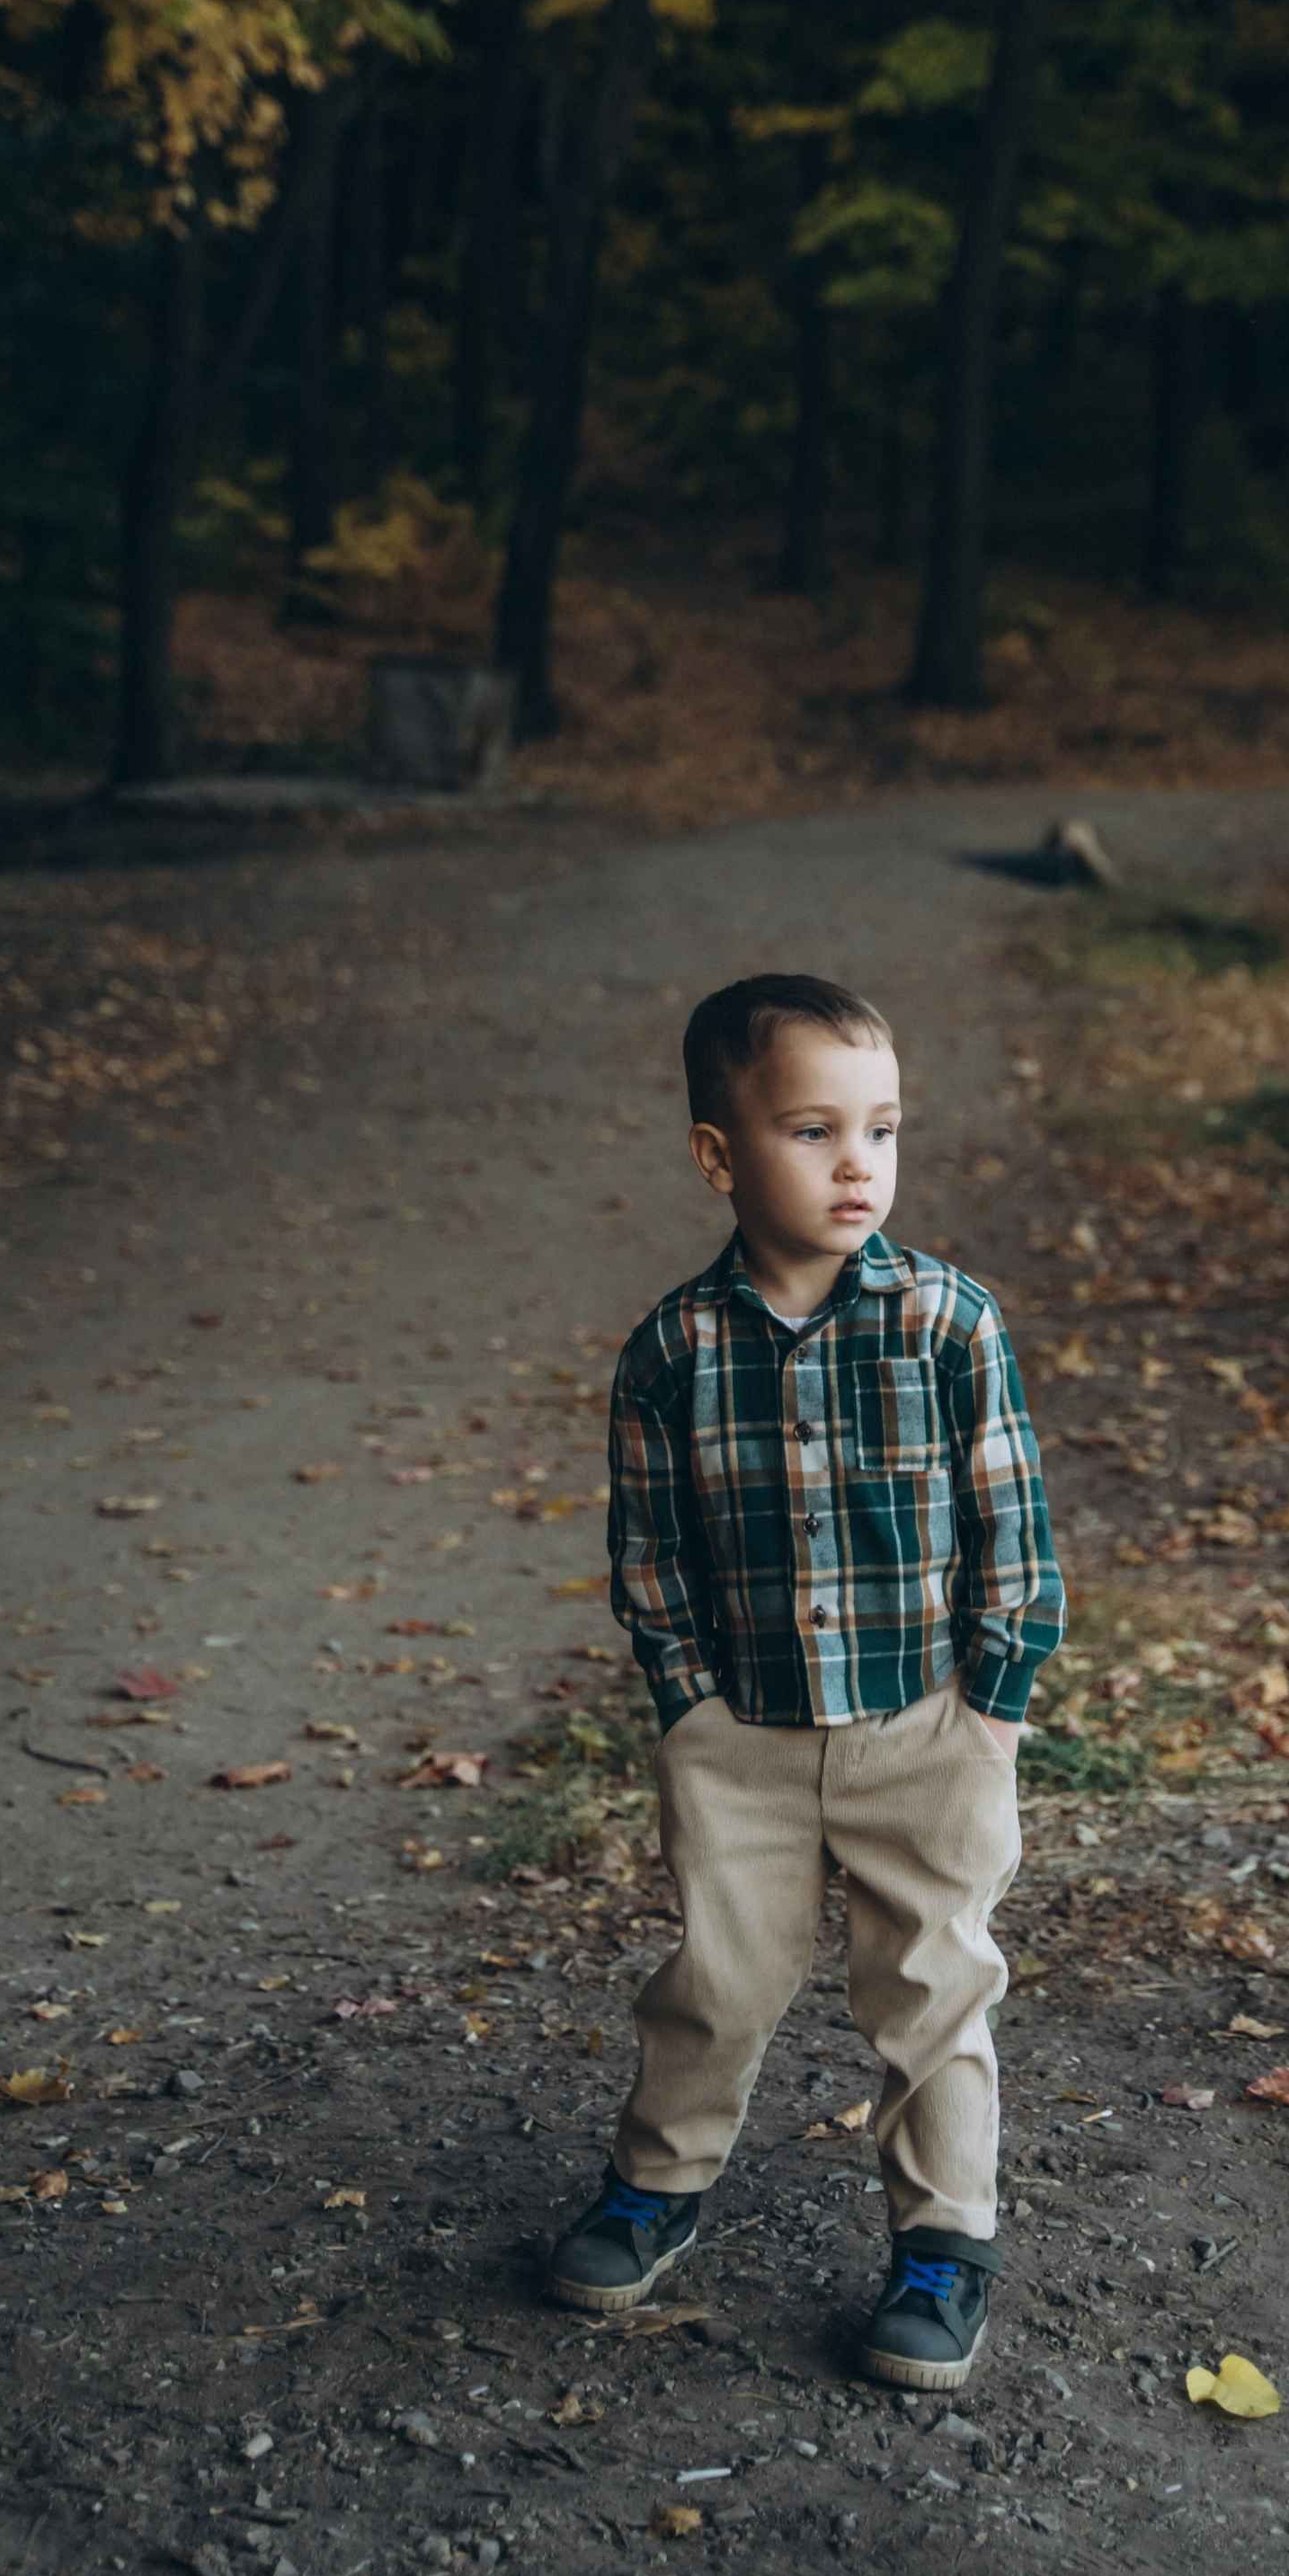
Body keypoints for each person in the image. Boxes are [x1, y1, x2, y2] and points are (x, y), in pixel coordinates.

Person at [544, 973, 1062, 2391]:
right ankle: (658, 2184)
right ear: (722, 1155)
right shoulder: (672, 1353)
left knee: (934, 1987)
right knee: (719, 1976)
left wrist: (995, 1696)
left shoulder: (949, 1325)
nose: (858, 1165)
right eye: (816, 1131)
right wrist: (688, 1702)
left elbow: (1013, 1523)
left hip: (926, 1728)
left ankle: (945, 2247)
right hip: (745, 1742)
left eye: (883, 1131)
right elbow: (648, 1548)